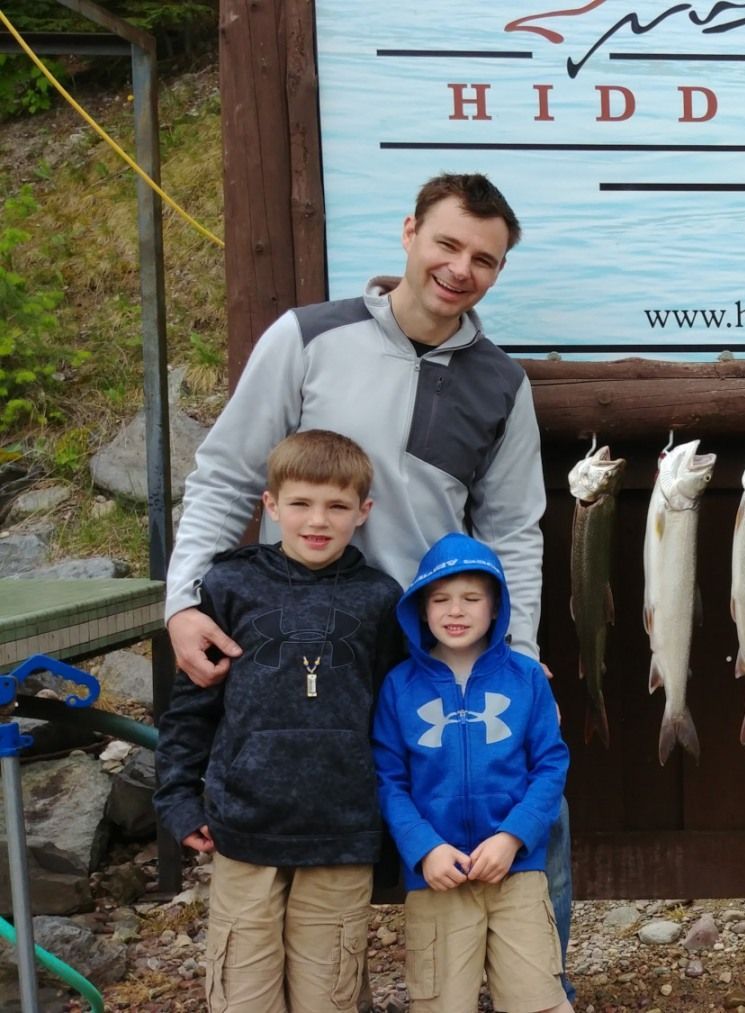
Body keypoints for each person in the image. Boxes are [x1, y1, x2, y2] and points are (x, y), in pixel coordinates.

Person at [161, 173, 576, 1000]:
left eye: (484, 259)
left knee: (528, 825)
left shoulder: (503, 384)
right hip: (315, 644)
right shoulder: (309, 337)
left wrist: (518, 656)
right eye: (448, 244)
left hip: (439, 653)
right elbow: (225, 475)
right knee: (321, 847)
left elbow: (513, 532)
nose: (461, 268)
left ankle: (535, 988)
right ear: (410, 233)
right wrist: (181, 602)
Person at [153, 430, 405, 1012]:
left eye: (338, 506)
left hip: (341, 828)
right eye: (300, 503)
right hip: (244, 826)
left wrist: (390, 816)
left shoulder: (380, 598)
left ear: (363, 513)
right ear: (270, 506)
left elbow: (392, 716)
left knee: (330, 994)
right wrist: (178, 799)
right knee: (244, 992)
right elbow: (191, 707)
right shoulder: (228, 584)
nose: (318, 520)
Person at [372, 533, 572, 1013]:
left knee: (538, 1001)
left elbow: (551, 765)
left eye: (471, 598)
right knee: (441, 1004)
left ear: (496, 606)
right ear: (420, 608)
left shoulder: (525, 678)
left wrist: (513, 838)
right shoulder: (400, 686)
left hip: (516, 874)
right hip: (438, 878)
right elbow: (388, 780)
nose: (455, 611)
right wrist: (425, 850)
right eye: (440, 599)